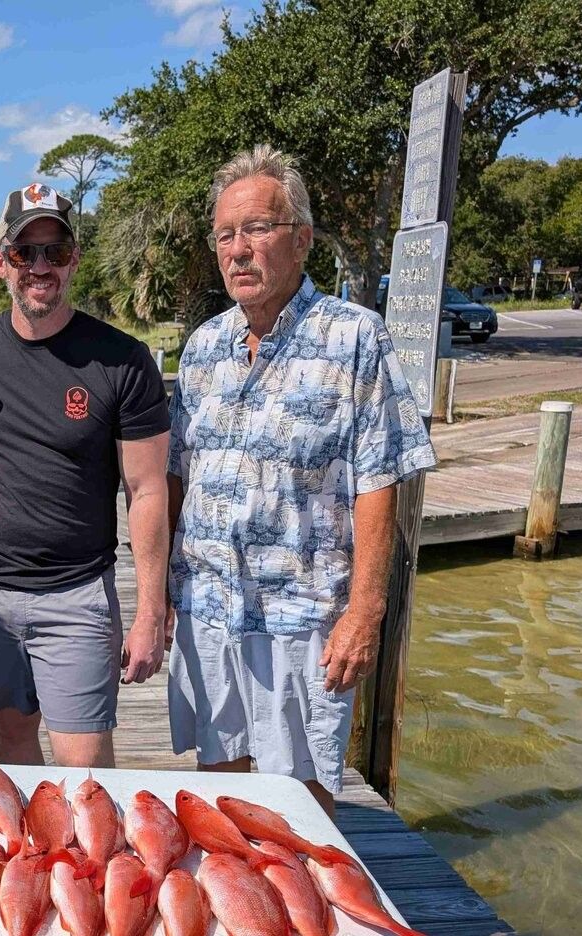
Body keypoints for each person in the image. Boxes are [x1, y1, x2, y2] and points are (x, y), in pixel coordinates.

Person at [165, 146, 436, 817]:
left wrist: (364, 613)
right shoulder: (203, 348)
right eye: (226, 235)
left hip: (303, 616)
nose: (238, 250)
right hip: (209, 606)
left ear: (303, 239)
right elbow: (177, 476)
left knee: (304, 803)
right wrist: (167, 591)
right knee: (219, 788)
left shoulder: (356, 338)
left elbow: (381, 480)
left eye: (257, 229)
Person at [0, 184, 171, 768]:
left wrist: (150, 611)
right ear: (1, 263)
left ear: (75, 259)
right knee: (13, 747)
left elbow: (147, 490)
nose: (40, 267)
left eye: (56, 251)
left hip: (77, 596)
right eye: (25, 253)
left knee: (87, 772)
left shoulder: (123, 359)